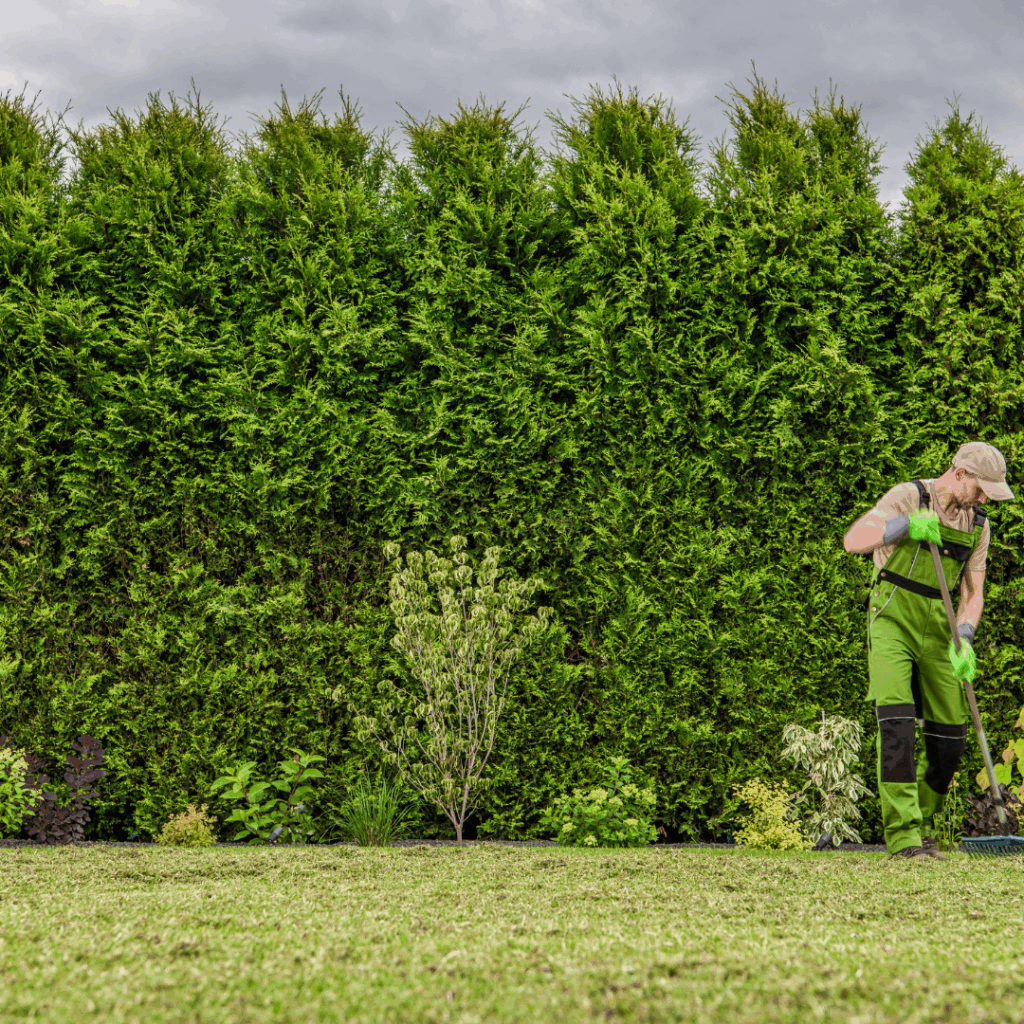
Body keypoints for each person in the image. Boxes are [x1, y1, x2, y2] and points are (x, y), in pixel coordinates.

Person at [843, 442, 1015, 859]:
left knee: (950, 739)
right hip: (892, 616)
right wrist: (903, 526)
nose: (984, 498)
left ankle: (921, 824)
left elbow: (973, 592)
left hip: (941, 628)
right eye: (981, 488)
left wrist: (967, 637)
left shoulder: (978, 524)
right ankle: (903, 838)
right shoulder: (909, 496)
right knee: (897, 725)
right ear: (959, 473)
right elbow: (854, 540)